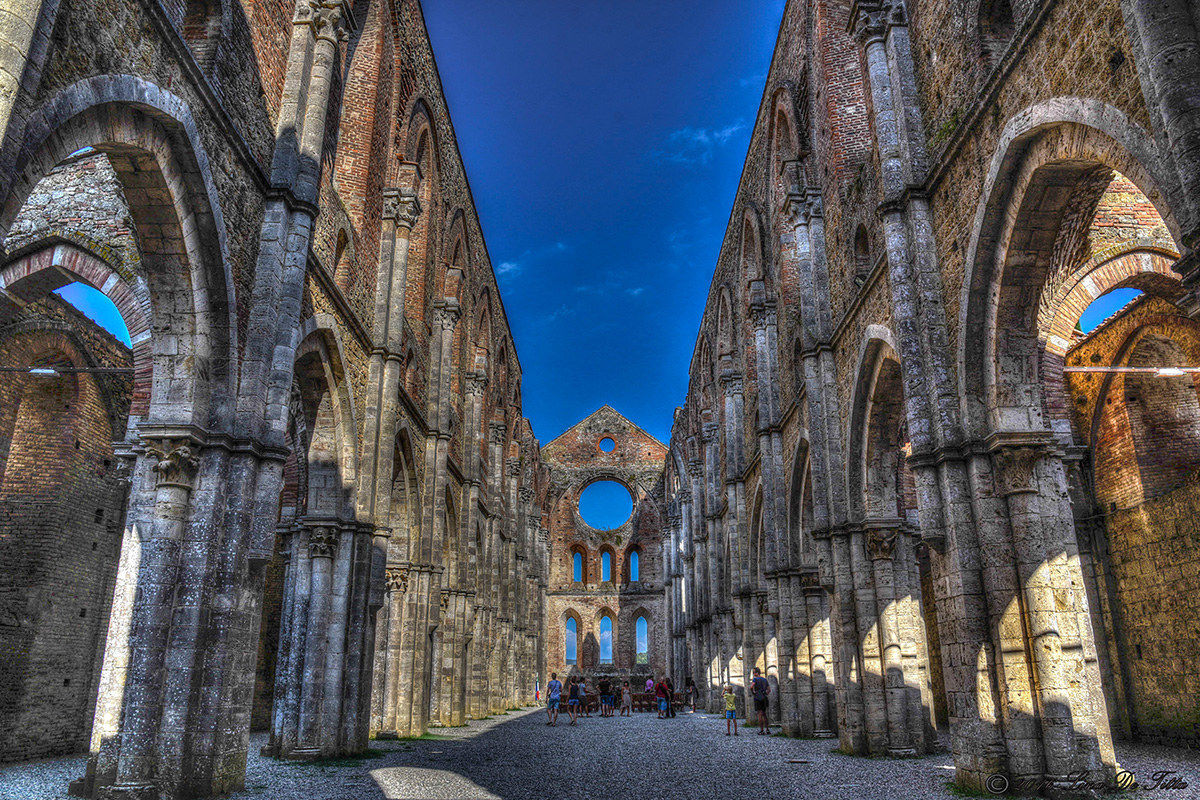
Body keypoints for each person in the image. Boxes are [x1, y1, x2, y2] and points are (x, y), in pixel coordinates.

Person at [751, 667, 770, 735]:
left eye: (754, 672)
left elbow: (751, 686)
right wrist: (765, 693)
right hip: (764, 697)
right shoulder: (764, 679)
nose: (753, 674)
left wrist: (753, 692)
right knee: (764, 714)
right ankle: (767, 729)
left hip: (758, 697)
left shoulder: (755, 679)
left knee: (759, 714)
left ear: (756, 673)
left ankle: (761, 730)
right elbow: (769, 689)